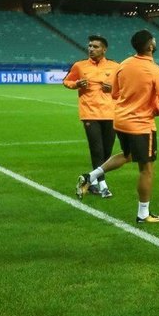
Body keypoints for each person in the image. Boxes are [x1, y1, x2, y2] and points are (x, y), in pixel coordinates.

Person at [76, 30, 159, 222]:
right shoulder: (156, 70)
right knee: (146, 169)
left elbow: (114, 93)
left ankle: (90, 176)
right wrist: (153, 111)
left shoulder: (123, 65)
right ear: (150, 46)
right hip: (141, 125)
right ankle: (143, 214)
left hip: (120, 120)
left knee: (127, 155)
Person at [66, 35, 119, 198]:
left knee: (106, 152)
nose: (91, 49)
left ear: (104, 49)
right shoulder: (80, 66)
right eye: (90, 46)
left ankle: (91, 181)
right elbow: (67, 81)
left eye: (95, 47)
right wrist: (76, 84)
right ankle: (103, 185)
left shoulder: (116, 67)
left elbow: (124, 88)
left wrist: (113, 89)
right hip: (90, 113)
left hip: (111, 113)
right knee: (97, 149)